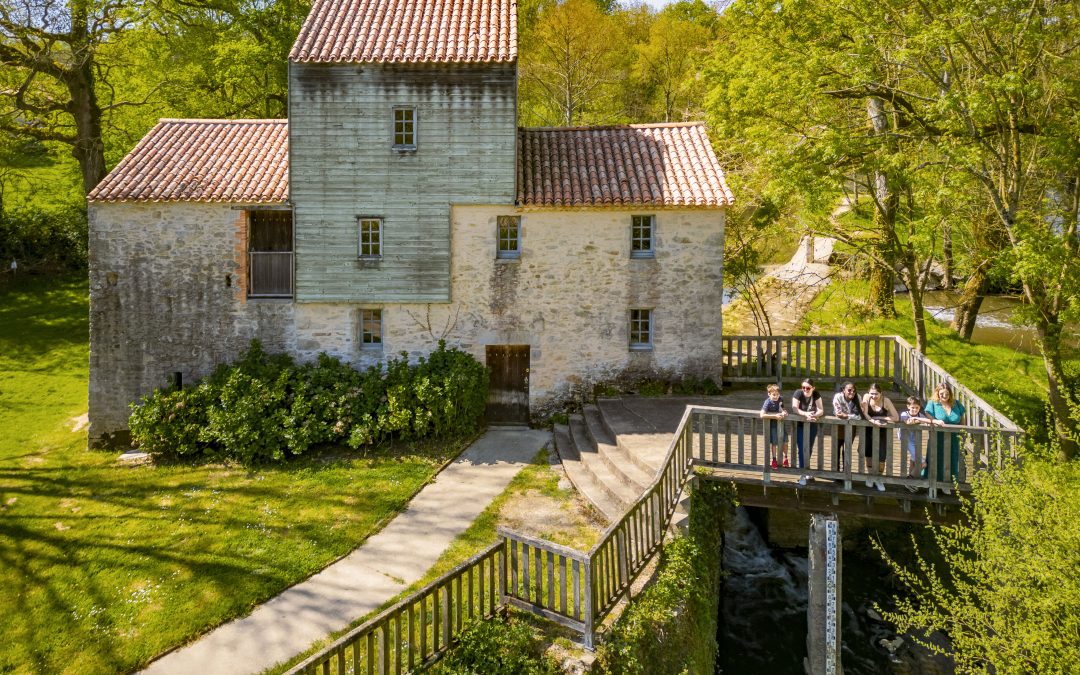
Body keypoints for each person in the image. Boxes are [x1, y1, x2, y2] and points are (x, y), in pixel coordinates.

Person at [924, 382, 966, 494]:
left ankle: (948, 484)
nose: (944, 396)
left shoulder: (956, 404)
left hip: (954, 438)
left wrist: (963, 435)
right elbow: (928, 415)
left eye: (947, 394)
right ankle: (933, 484)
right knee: (936, 459)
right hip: (938, 437)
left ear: (950, 394)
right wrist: (935, 421)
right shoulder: (933, 403)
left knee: (952, 460)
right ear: (937, 393)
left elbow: (962, 421)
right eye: (941, 393)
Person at [860, 383, 898, 492]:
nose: (873, 396)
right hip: (868, 430)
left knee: (881, 456)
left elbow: (896, 417)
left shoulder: (886, 401)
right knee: (869, 454)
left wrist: (881, 418)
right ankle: (870, 476)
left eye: (876, 394)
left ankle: (878, 479)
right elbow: (865, 413)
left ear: (881, 393)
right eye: (871, 393)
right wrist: (873, 420)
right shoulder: (866, 397)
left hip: (882, 431)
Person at [792, 378, 823, 486]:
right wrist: (805, 414)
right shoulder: (798, 393)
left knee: (809, 447)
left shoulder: (816, 394)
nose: (805, 389)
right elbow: (795, 408)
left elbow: (821, 410)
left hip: (812, 424)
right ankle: (803, 473)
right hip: (800, 425)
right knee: (801, 448)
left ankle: (806, 469)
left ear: (813, 388)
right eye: (803, 387)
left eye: (808, 388)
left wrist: (814, 415)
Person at [898, 396, 932, 492]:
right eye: (912, 407)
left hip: (915, 440)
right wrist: (920, 420)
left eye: (917, 408)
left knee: (913, 461)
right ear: (908, 406)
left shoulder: (920, 415)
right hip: (906, 439)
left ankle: (911, 483)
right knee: (923, 463)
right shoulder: (904, 414)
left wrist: (917, 419)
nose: (914, 409)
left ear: (919, 408)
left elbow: (929, 421)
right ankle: (908, 481)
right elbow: (908, 422)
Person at [831, 381, 862, 471]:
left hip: (851, 426)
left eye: (854, 390)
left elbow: (860, 415)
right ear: (843, 390)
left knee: (847, 448)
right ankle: (836, 471)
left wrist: (847, 416)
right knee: (836, 448)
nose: (852, 392)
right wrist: (852, 416)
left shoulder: (858, 397)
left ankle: (846, 471)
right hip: (838, 425)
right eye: (849, 390)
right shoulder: (838, 397)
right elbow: (838, 413)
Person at [760, 384, 789, 469]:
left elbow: (782, 408)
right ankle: (774, 460)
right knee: (774, 443)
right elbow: (762, 415)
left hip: (781, 424)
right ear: (769, 394)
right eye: (774, 395)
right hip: (773, 425)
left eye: (777, 394)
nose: (776, 396)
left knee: (785, 441)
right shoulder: (768, 402)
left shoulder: (780, 399)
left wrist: (784, 412)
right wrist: (774, 416)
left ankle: (785, 458)